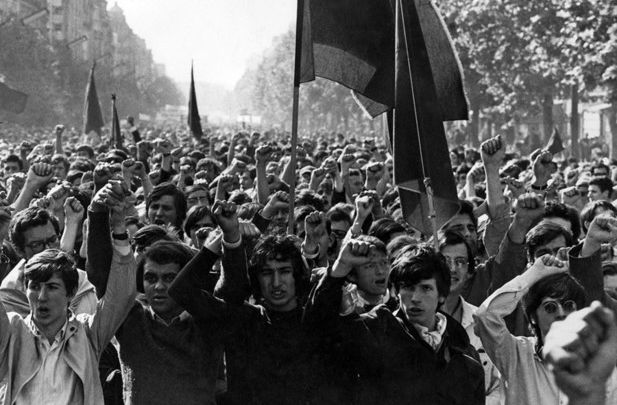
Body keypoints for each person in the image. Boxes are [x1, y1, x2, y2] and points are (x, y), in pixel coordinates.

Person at [169, 206, 319, 405]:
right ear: (256, 278)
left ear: (297, 276)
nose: (276, 283)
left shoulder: (315, 323)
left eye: (284, 271)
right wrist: (227, 237)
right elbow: (181, 289)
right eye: (267, 273)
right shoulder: (241, 319)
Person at [305, 241, 485, 405]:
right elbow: (317, 332)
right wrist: (340, 269)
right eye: (408, 287)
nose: (415, 298)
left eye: (426, 288)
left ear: (442, 295)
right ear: (396, 291)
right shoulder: (374, 330)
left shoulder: (465, 356)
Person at [0, 242, 136, 404]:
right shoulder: (12, 331)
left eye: (52, 287)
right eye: (34, 287)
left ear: (71, 293)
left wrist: (120, 237)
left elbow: (120, 298)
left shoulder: (87, 333)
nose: (41, 297)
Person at [543, 302, 617, 405]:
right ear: (533, 317)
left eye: (569, 306)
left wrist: (587, 396)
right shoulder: (520, 354)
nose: (561, 313)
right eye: (550, 307)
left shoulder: (605, 365)